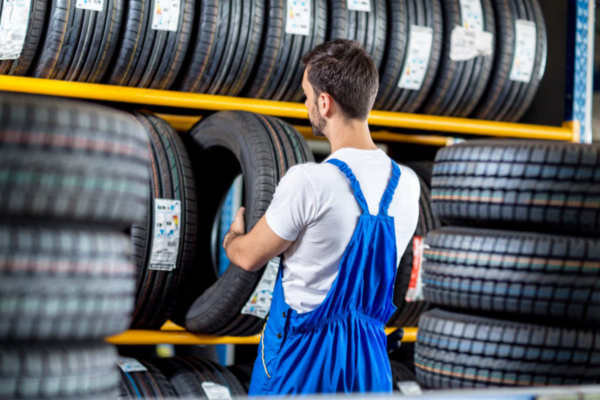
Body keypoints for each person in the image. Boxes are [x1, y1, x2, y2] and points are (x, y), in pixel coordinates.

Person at [222, 39, 420, 395]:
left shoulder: (310, 181)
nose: (305, 104)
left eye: (306, 96)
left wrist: (232, 237)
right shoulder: (407, 184)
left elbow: (249, 257)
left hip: (304, 360)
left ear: (324, 103)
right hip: (370, 362)